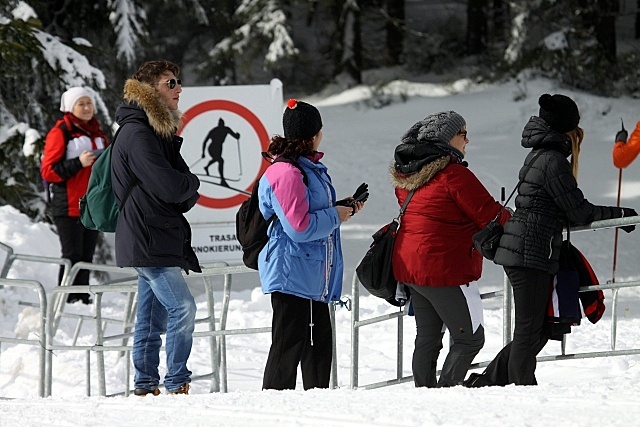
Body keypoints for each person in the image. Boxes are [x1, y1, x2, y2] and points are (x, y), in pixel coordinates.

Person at [465, 94, 637, 388]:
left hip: (527, 249)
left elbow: (563, 208)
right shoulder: (552, 161)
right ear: (567, 130)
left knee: (541, 327)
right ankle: (522, 389)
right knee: (530, 330)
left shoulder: (540, 155)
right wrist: (620, 215)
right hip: (528, 252)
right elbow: (578, 210)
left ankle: (489, 381)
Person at [390, 111, 511, 388]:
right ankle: (446, 396)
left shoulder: (410, 173)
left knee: (428, 339)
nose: (468, 140)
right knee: (469, 339)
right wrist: (513, 217)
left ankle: (424, 395)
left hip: (411, 269)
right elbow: (489, 214)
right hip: (443, 269)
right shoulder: (453, 174)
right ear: (446, 139)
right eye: (463, 134)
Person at [258, 99, 364, 390]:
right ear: (314, 134)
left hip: (311, 275)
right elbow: (300, 227)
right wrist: (336, 215)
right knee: (286, 354)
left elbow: (307, 211)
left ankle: (314, 412)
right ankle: (272, 414)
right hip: (291, 274)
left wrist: (344, 208)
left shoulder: (308, 168)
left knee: (318, 356)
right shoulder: (287, 172)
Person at [111, 60, 201, 396]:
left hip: (153, 235)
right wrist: (187, 185)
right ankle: (177, 381)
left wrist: (185, 186)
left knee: (150, 319)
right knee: (183, 307)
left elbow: (183, 190)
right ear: (150, 91)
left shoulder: (155, 132)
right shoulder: (137, 134)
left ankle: (146, 384)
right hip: (148, 236)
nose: (179, 89)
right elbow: (176, 187)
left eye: (179, 82)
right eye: (171, 83)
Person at [41, 87, 108, 305]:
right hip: (68, 203)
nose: (87, 108)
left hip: (93, 204)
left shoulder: (98, 133)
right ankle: (66, 299)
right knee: (72, 254)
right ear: (70, 107)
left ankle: (82, 296)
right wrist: (78, 163)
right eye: (81, 104)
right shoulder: (61, 131)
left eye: (89, 103)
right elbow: (48, 171)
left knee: (87, 255)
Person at [201, 118, 240, 187]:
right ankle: (222, 180)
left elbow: (235, 136)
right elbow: (205, 141)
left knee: (217, 159)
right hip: (212, 147)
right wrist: (203, 152)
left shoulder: (226, 129)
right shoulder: (214, 130)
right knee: (220, 160)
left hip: (219, 148)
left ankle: (206, 167)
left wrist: (237, 135)